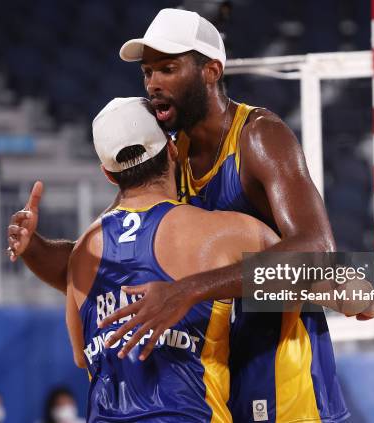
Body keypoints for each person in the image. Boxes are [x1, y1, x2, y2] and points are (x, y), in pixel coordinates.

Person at [8, 8, 374, 423]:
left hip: (283, 373)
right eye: (147, 72)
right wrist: (35, 249)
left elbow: (317, 254)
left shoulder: (259, 137)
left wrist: (189, 289)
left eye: (167, 69)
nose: (153, 84)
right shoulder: (165, 151)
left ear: (210, 71)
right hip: (214, 377)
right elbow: (102, 263)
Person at [66, 96, 279, 422]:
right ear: (172, 149)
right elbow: (342, 289)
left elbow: (83, 358)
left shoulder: (83, 251)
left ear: (108, 175)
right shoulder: (221, 232)